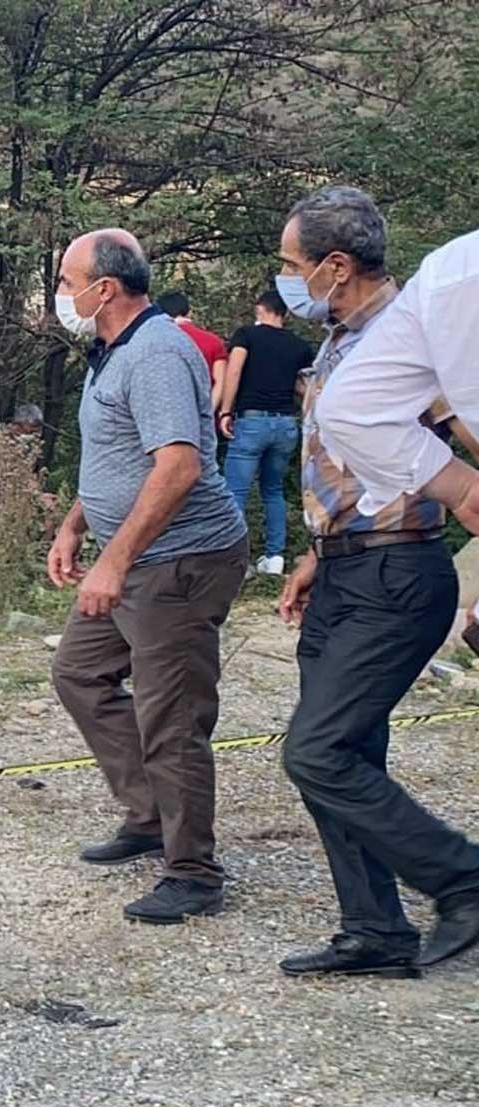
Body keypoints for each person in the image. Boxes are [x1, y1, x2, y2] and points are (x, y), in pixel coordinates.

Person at [269, 186, 479, 975]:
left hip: (398, 572)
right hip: (347, 567)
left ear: (335, 265)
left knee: (315, 752)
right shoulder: (339, 338)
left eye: (293, 265)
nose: (287, 280)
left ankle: (463, 878)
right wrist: (319, 552)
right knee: (348, 753)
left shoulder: (421, 332)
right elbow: (359, 466)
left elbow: (463, 437)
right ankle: (375, 930)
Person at [46, 229, 250, 925]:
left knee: (172, 716)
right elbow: (118, 454)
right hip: (137, 560)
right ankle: (148, 814)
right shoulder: (113, 351)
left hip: (179, 564)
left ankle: (192, 871)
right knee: (78, 672)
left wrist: (115, 558)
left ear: (105, 288)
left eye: (69, 278)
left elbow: (178, 467)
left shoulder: (158, 352)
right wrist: (76, 524)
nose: (61, 293)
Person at [214, 288, 316, 577]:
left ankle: (232, 561)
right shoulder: (299, 346)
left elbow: (234, 372)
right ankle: (275, 558)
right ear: (285, 312)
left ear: (260, 308)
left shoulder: (246, 335)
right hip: (285, 425)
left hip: (252, 421)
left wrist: (225, 411)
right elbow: (304, 389)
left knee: (235, 491)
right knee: (273, 490)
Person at [156, 291, 228, 402]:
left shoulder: (156, 341)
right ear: (188, 312)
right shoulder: (213, 341)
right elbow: (220, 383)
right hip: (205, 410)